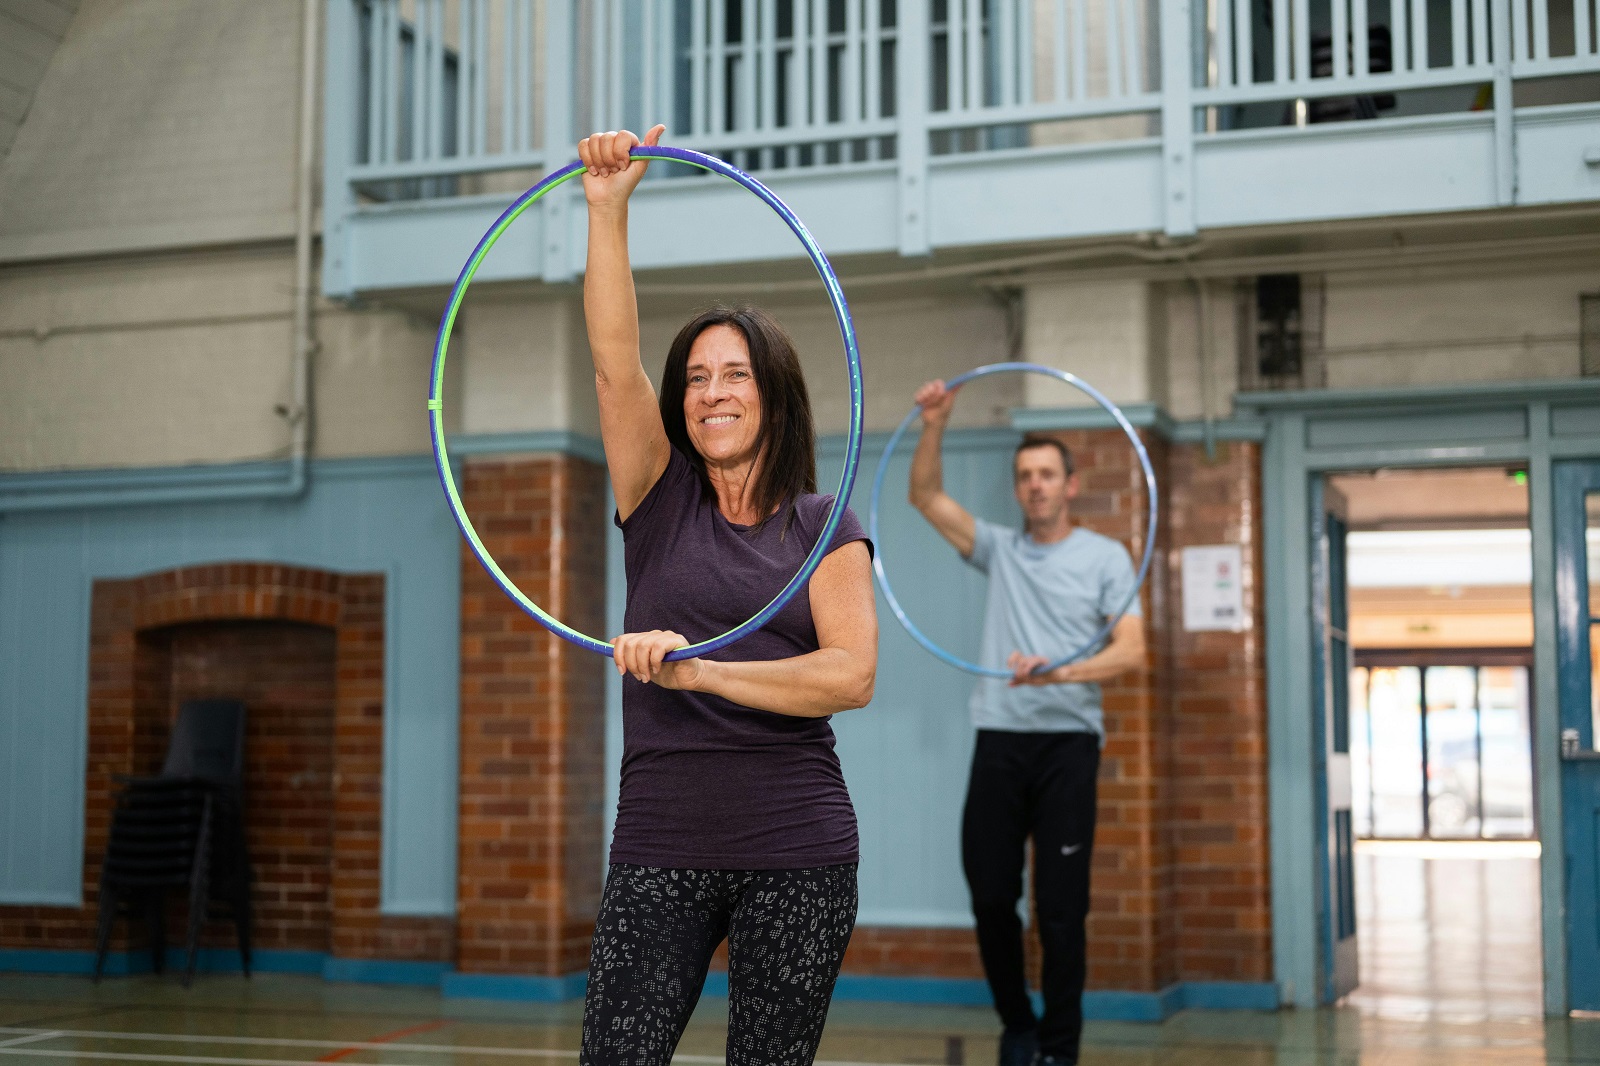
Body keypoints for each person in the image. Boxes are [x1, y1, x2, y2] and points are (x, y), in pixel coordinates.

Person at [575, 125, 879, 1066]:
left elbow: (849, 675)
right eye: (697, 379)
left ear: (773, 398)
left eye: (734, 374)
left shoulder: (826, 524)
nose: (712, 392)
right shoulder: (657, 500)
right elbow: (614, 362)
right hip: (660, 839)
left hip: (800, 845)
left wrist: (701, 673)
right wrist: (607, 210)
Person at [908, 379, 1147, 1066]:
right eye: (1024, 477)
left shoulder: (1104, 557)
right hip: (1001, 738)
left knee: (1062, 909)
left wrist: (1059, 672)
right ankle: (1018, 1023)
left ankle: (1060, 1047)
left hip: (1068, 742)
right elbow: (923, 498)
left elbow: (1131, 649)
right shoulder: (1001, 550)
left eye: (1046, 474)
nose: (1035, 486)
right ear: (1018, 490)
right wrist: (935, 424)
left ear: (1070, 485)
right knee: (990, 895)